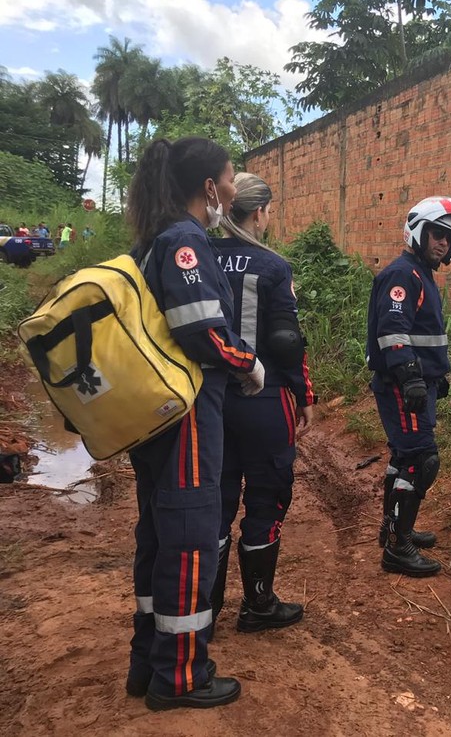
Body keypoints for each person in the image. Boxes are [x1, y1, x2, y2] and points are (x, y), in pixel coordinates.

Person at [124, 137, 264, 710]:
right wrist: (248, 365)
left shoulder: (154, 240)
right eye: (230, 177)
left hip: (154, 412)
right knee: (188, 539)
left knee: (158, 534)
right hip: (185, 415)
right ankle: (180, 675)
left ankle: (148, 663)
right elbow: (203, 332)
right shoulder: (186, 242)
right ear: (210, 187)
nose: (233, 187)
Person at [209, 172, 315, 637]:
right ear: (258, 214)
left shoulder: (200, 255)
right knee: (268, 496)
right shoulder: (272, 267)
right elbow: (286, 341)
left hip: (211, 399)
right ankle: (258, 604)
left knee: (216, 499)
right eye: (268, 212)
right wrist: (303, 394)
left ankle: (203, 610)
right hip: (264, 397)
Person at [367, 196, 451, 578]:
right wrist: (412, 376)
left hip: (416, 384)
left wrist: (432, 377)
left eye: (450, 239)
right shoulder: (403, 274)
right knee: (419, 460)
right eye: (437, 235)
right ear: (419, 232)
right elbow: (393, 331)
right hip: (402, 385)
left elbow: (419, 332)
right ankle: (397, 547)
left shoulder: (420, 273)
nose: (443, 244)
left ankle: (397, 529)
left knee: (403, 458)